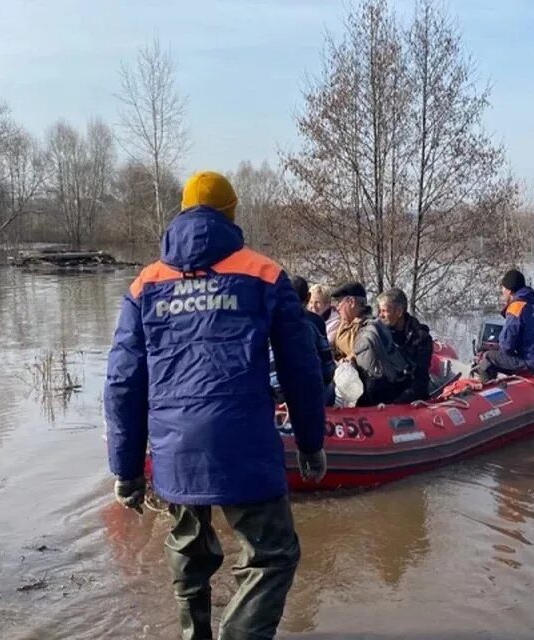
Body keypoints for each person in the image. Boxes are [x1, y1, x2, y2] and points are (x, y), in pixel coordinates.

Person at [104, 170, 327, 640]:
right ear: (232, 214)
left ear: (183, 211)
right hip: (243, 442)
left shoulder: (147, 283)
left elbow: (124, 381)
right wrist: (310, 443)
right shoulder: (264, 273)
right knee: (272, 555)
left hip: (174, 449)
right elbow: (301, 367)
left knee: (190, 556)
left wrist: (125, 469)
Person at [330, 281, 411, 406]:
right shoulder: (343, 324)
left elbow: (368, 365)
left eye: (340, 302)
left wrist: (350, 359)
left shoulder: (370, 328)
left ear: (351, 302)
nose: (337, 307)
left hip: (363, 391)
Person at [476, 269, 534, 383]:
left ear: (509, 291)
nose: (502, 291)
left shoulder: (516, 308)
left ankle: (486, 392)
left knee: (488, 357)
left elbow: (506, 347)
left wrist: (493, 348)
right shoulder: (533, 302)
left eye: (503, 288)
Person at [376, 288, 433, 403]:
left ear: (399, 312)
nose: (380, 315)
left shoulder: (421, 338)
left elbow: (420, 378)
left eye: (384, 311)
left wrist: (398, 403)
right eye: (379, 311)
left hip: (409, 393)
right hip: (387, 387)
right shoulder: (381, 334)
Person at [291, 276, 336, 388]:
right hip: (309, 391)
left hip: (277, 393)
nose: (314, 306)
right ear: (308, 298)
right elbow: (328, 367)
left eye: (318, 303)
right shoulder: (315, 322)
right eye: (312, 302)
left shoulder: (273, 321)